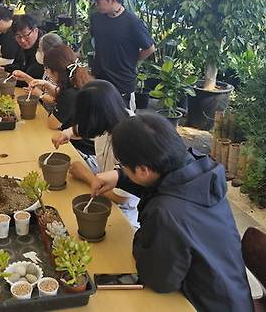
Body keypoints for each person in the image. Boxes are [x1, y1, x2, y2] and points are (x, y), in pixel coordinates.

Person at [91, 113, 253, 311]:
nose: (122, 169)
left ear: (143, 170)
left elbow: (160, 281)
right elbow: (164, 185)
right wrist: (119, 177)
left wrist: (142, 241)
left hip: (201, 305)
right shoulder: (199, 171)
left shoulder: (166, 212)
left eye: (123, 166)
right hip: (234, 296)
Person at [51, 80, 138, 227]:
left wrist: (86, 176)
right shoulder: (110, 118)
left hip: (123, 213)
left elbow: (122, 197)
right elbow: (85, 129)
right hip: (103, 187)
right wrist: (67, 133)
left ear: (96, 117)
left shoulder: (130, 139)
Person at [90, 0, 155, 109]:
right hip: (99, 79)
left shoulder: (132, 23)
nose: (95, 5)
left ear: (112, 0)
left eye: (98, 1)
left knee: (123, 123)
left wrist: (132, 60)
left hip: (122, 82)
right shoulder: (96, 18)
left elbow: (150, 48)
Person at [28, 45, 95, 156]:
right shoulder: (77, 79)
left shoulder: (70, 94)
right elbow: (61, 94)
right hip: (85, 142)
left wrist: (41, 95)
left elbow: (52, 124)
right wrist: (45, 84)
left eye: (46, 69)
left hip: (81, 149)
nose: (46, 72)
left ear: (54, 72)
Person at [3, 14, 44, 87]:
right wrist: (4, 69)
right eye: (18, 36)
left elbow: (34, 77)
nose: (22, 40)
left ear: (36, 31)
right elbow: (19, 65)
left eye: (26, 35)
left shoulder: (44, 50)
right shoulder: (24, 47)